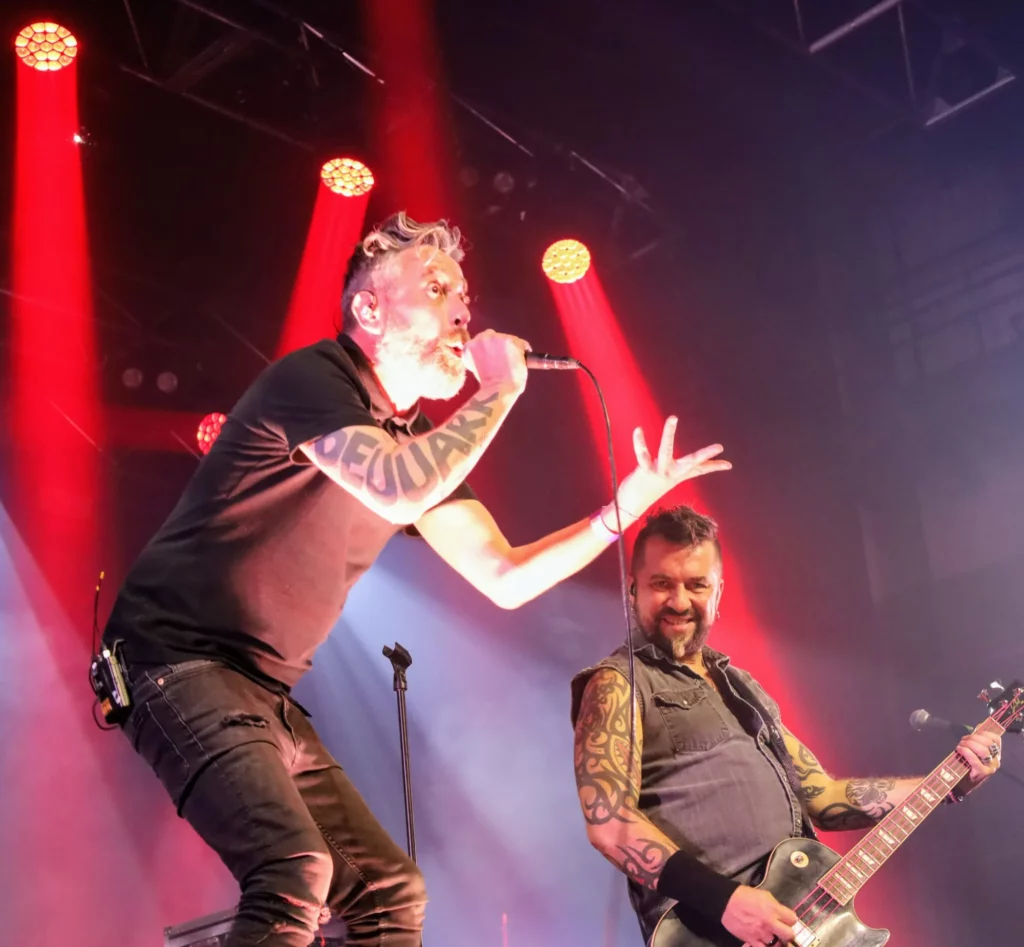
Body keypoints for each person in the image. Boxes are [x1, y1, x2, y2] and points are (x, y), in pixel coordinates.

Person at [101, 213, 732, 947]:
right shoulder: (314, 377)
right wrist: (499, 391)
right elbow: (397, 488)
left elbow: (505, 575)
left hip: (261, 689)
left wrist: (618, 512)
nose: (463, 308)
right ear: (369, 309)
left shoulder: (408, 442)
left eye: (464, 295)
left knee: (389, 893)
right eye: (437, 288)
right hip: (174, 661)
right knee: (292, 866)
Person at [570, 505, 1002, 947]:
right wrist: (727, 902)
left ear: (718, 591)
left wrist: (952, 781)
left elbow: (825, 799)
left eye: (696, 585)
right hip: (710, 930)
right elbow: (610, 824)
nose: (680, 601)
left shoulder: (741, 686)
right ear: (632, 591)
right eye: (661, 584)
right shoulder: (617, 683)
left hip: (799, 924)